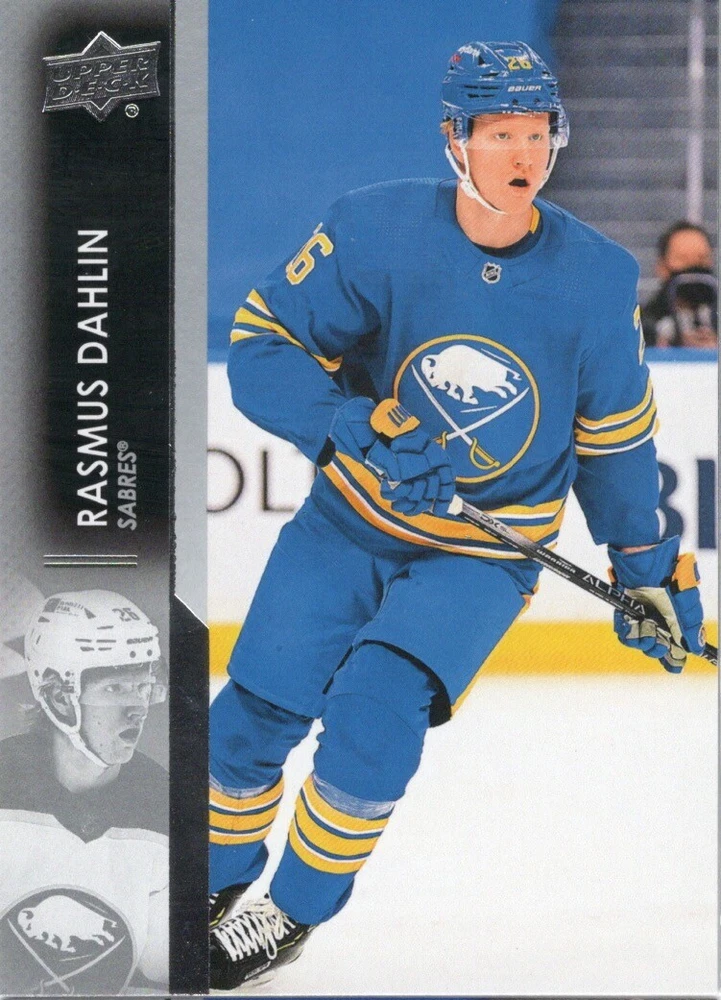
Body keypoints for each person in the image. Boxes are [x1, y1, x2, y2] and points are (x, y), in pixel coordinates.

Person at [209, 40, 707, 989]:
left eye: (537, 132)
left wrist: (646, 568)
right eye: (500, 134)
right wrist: (352, 428)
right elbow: (263, 346)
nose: (524, 154)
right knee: (254, 712)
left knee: (374, 712)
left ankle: (291, 909)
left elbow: (612, 442)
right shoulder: (373, 228)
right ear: (455, 138)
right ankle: (210, 876)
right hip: (348, 524)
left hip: (479, 555)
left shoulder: (595, 277)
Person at [0, 590, 169, 995]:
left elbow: (161, 970)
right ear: (59, 697)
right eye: (115, 689)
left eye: (143, 687)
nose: (139, 708)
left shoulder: (165, 805)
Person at [641, 220, 717, 348]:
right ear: (661, 267)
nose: (693, 267)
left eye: (701, 258)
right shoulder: (642, 325)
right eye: (683, 259)